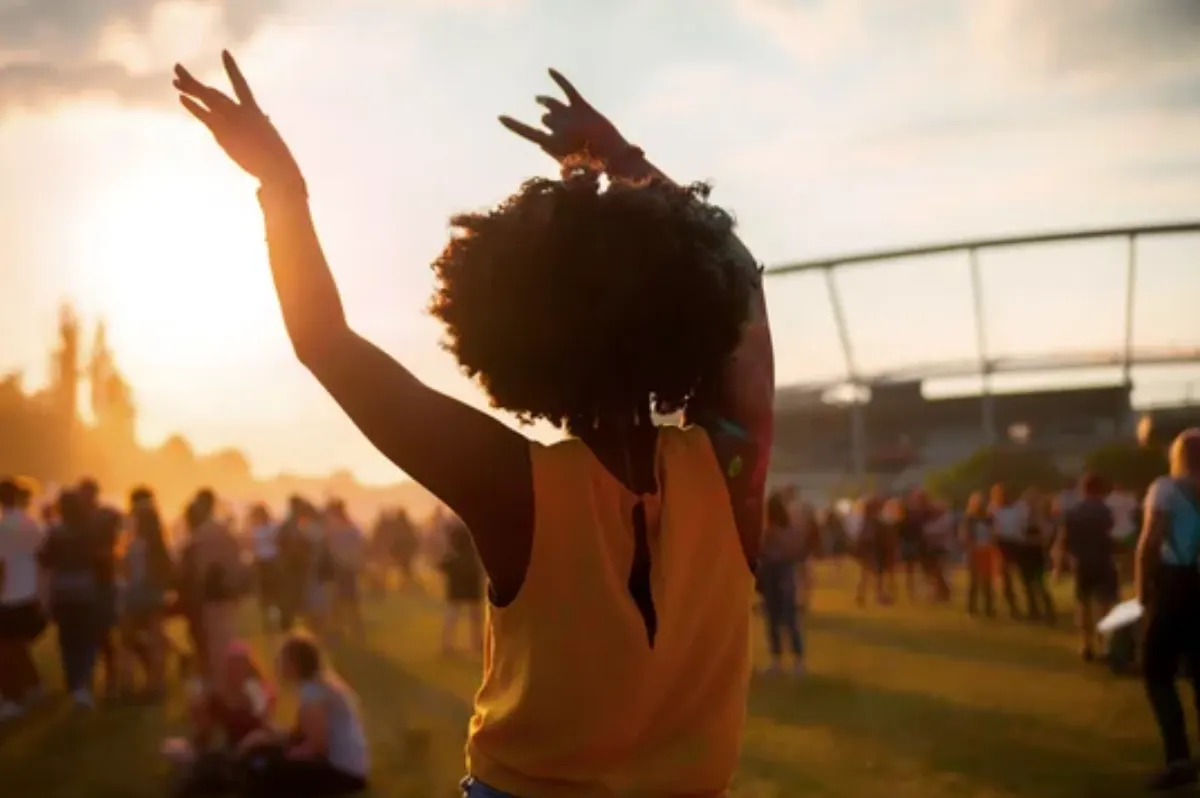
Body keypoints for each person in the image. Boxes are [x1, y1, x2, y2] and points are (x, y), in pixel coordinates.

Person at [173, 55, 772, 797]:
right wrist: (623, 163)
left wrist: (281, 187)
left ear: (515, 340)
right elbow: (741, 273)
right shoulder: (726, 469)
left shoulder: (514, 486)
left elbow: (325, 343)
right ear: (686, 314)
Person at [1135, 429, 1200, 791]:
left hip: (1177, 585)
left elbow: (1149, 544)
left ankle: (1178, 760)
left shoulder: (1166, 487)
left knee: (1157, 672)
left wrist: (1143, 593)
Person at [238, 634, 369, 797]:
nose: (278, 665)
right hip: (347, 769)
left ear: (294, 664)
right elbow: (301, 735)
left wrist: (286, 755)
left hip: (343, 772)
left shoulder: (312, 691)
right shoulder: (317, 685)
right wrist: (267, 738)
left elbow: (318, 745)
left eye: (282, 660)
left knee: (269, 769)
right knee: (264, 756)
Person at [167, 641, 276, 796]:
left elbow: (266, 732)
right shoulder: (217, 697)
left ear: (248, 668)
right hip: (229, 753)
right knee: (184, 758)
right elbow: (203, 733)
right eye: (232, 666)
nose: (236, 671)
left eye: (241, 665)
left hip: (252, 753)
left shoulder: (256, 691)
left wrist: (244, 748)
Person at [38, 489, 103, 707]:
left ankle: (74, 684)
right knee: (87, 640)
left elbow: (45, 559)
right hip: (86, 590)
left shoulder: (57, 532)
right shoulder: (89, 531)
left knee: (67, 641)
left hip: (63, 591)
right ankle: (85, 682)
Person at [1055, 473, 1119, 662]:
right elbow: (1111, 533)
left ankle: (1086, 644)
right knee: (1104, 604)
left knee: (1083, 605)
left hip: (1081, 562)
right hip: (1103, 560)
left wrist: (1059, 566)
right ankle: (1106, 644)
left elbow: (1063, 539)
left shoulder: (1074, 511)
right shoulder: (1105, 510)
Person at [120, 486, 174, 697]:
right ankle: (156, 684)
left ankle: (127, 683)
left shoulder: (133, 543)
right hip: (153, 593)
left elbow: (126, 570)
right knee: (156, 640)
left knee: (127, 641)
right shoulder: (158, 544)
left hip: (134, 593)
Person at [0, 477, 47, 720]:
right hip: (30, 595)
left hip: (9, 598)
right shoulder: (31, 523)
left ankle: (12, 699)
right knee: (17, 647)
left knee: (6, 652)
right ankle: (34, 688)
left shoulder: (2, 526)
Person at [78, 477, 122, 697]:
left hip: (103, 580)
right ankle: (107, 676)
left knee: (104, 631)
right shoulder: (89, 518)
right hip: (93, 581)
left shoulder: (102, 517)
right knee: (100, 632)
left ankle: (112, 677)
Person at [756, 490, 804, 676]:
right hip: (784, 573)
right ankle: (797, 661)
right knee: (787, 619)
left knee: (775, 619)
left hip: (773, 574)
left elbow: (761, 552)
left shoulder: (770, 530)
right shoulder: (789, 529)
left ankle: (777, 660)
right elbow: (796, 550)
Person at [436, 508, 484, 657]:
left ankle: (447, 644)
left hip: (457, 584)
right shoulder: (473, 552)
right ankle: (476, 643)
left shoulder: (454, 553)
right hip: (471, 582)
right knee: (474, 616)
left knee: (453, 614)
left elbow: (442, 565)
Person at [324, 500, 365, 641]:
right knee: (347, 601)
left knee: (342, 601)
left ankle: (345, 631)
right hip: (346, 567)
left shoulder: (338, 528)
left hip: (343, 567)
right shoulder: (351, 527)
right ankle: (350, 631)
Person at [989, 482, 1027, 619]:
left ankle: (1029, 605)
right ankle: (1013, 607)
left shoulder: (1017, 508)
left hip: (1017, 543)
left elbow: (1022, 525)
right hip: (1002, 543)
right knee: (1006, 578)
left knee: (1022, 576)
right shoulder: (993, 510)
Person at [959, 491, 997, 617]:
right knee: (973, 581)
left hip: (986, 550)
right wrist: (970, 547)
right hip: (974, 551)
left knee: (987, 582)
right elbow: (964, 535)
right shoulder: (969, 518)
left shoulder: (989, 518)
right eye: (978, 502)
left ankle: (989, 609)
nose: (980, 505)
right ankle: (971, 609)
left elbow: (994, 533)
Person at [248, 504, 281, 633]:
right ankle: (268, 621)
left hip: (268, 562)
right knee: (265, 594)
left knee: (269, 592)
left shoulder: (267, 529)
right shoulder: (265, 529)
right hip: (263, 562)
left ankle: (271, 621)